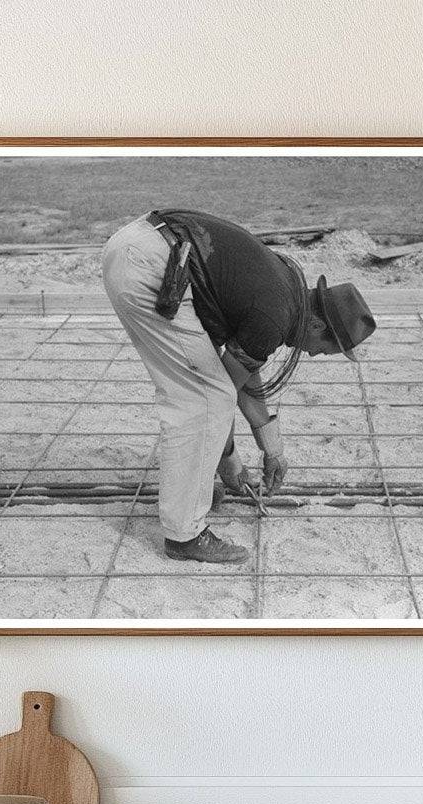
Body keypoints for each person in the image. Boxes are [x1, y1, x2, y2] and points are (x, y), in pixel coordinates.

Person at [101, 209, 376, 564]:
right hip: (149, 266)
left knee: (209, 392)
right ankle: (185, 535)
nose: (318, 354)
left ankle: (191, 494)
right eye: (329, 348)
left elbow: (245, 371)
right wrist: (229, 461)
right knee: (204, 399)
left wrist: (272, 450)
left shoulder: (286, 292)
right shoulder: (274, 317)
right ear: (319, 325)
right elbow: (226, 389)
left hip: (142, 246)